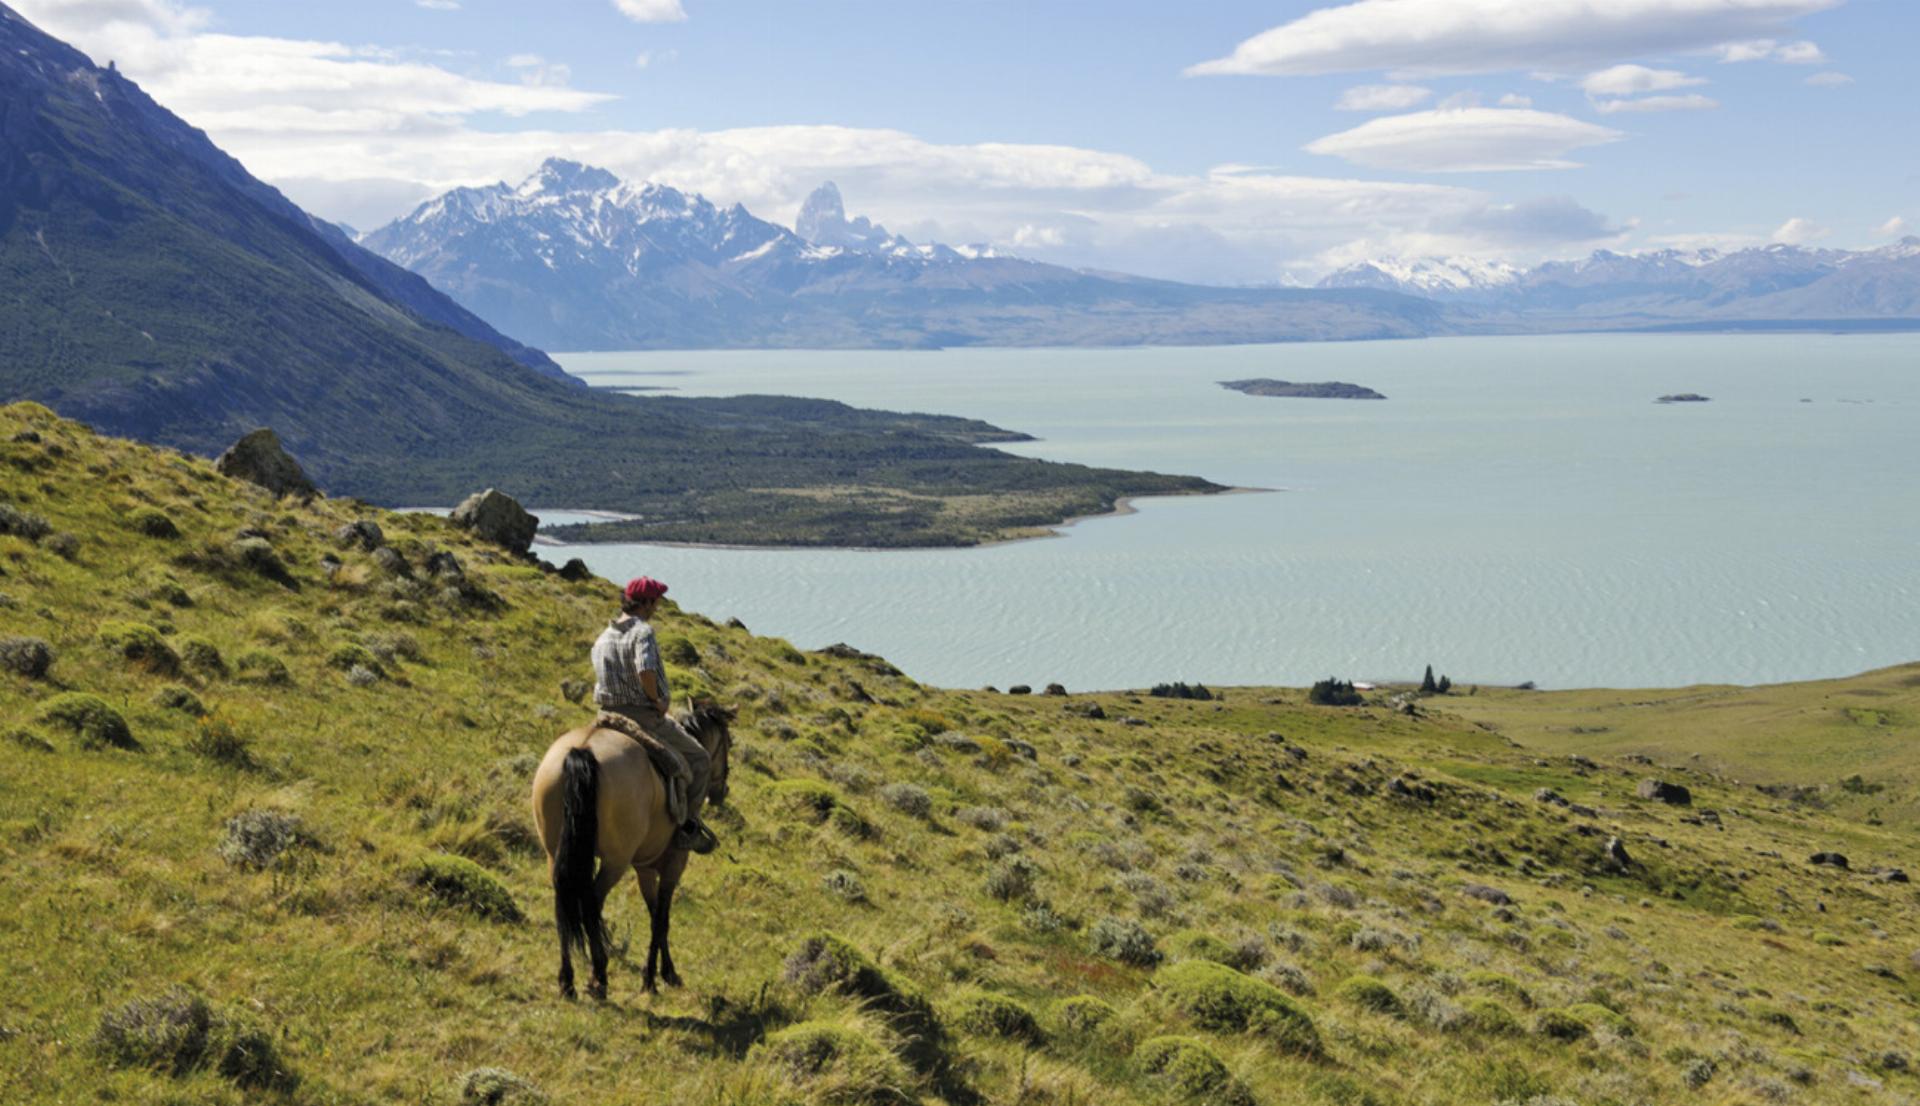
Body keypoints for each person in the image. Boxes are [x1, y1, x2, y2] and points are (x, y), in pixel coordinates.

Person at [591, 576, 717, 854]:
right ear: (646, 603)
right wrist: (656, 699)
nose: (658, 605)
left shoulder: (604, 637)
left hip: (607, 715)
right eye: (656, 601)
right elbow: (645, 670)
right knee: (699, 759)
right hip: (642, 717)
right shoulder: (642, 632)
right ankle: (689, 829)